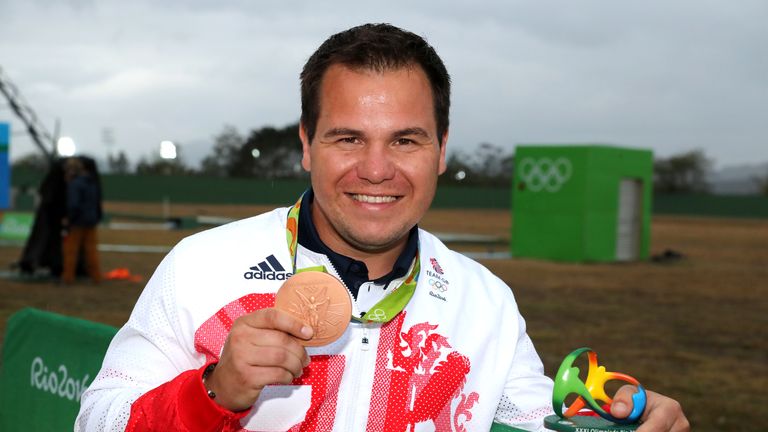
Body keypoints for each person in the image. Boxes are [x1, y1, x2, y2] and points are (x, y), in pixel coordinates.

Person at [77, 24, 688, 431]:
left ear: (441, 149)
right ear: (307, 146)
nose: (377, 170)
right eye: (348, 138)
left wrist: (614, 422)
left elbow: (534, 419)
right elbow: (97, 419)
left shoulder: (485, 302)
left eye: (406, 140)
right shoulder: (202, 266)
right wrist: (212, 392)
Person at [61, 157, 102, 284]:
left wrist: (69, 219)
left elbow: (74, 204)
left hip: (77, 222)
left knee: (71, 250)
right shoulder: (92, 182)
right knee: (91, 250)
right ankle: (96, 277)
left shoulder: (75, 184)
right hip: (91, 220)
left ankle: (68, 277)